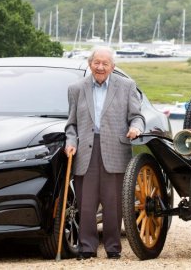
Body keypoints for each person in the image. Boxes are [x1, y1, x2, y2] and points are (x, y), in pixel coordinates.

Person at [64, 46, 144, 260]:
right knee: (86, 204)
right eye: (96, 63)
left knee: (113, 204)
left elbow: (137, 117)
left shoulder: (127, 86)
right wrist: (70, 142)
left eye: (105, 63)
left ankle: (113, 248)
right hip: (85, 152)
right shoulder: (76, 88)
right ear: (90, 64)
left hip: (116, 150)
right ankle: (87, 248)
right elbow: (71, 125)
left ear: (112, 66)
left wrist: (136, 128)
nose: (100, 67)